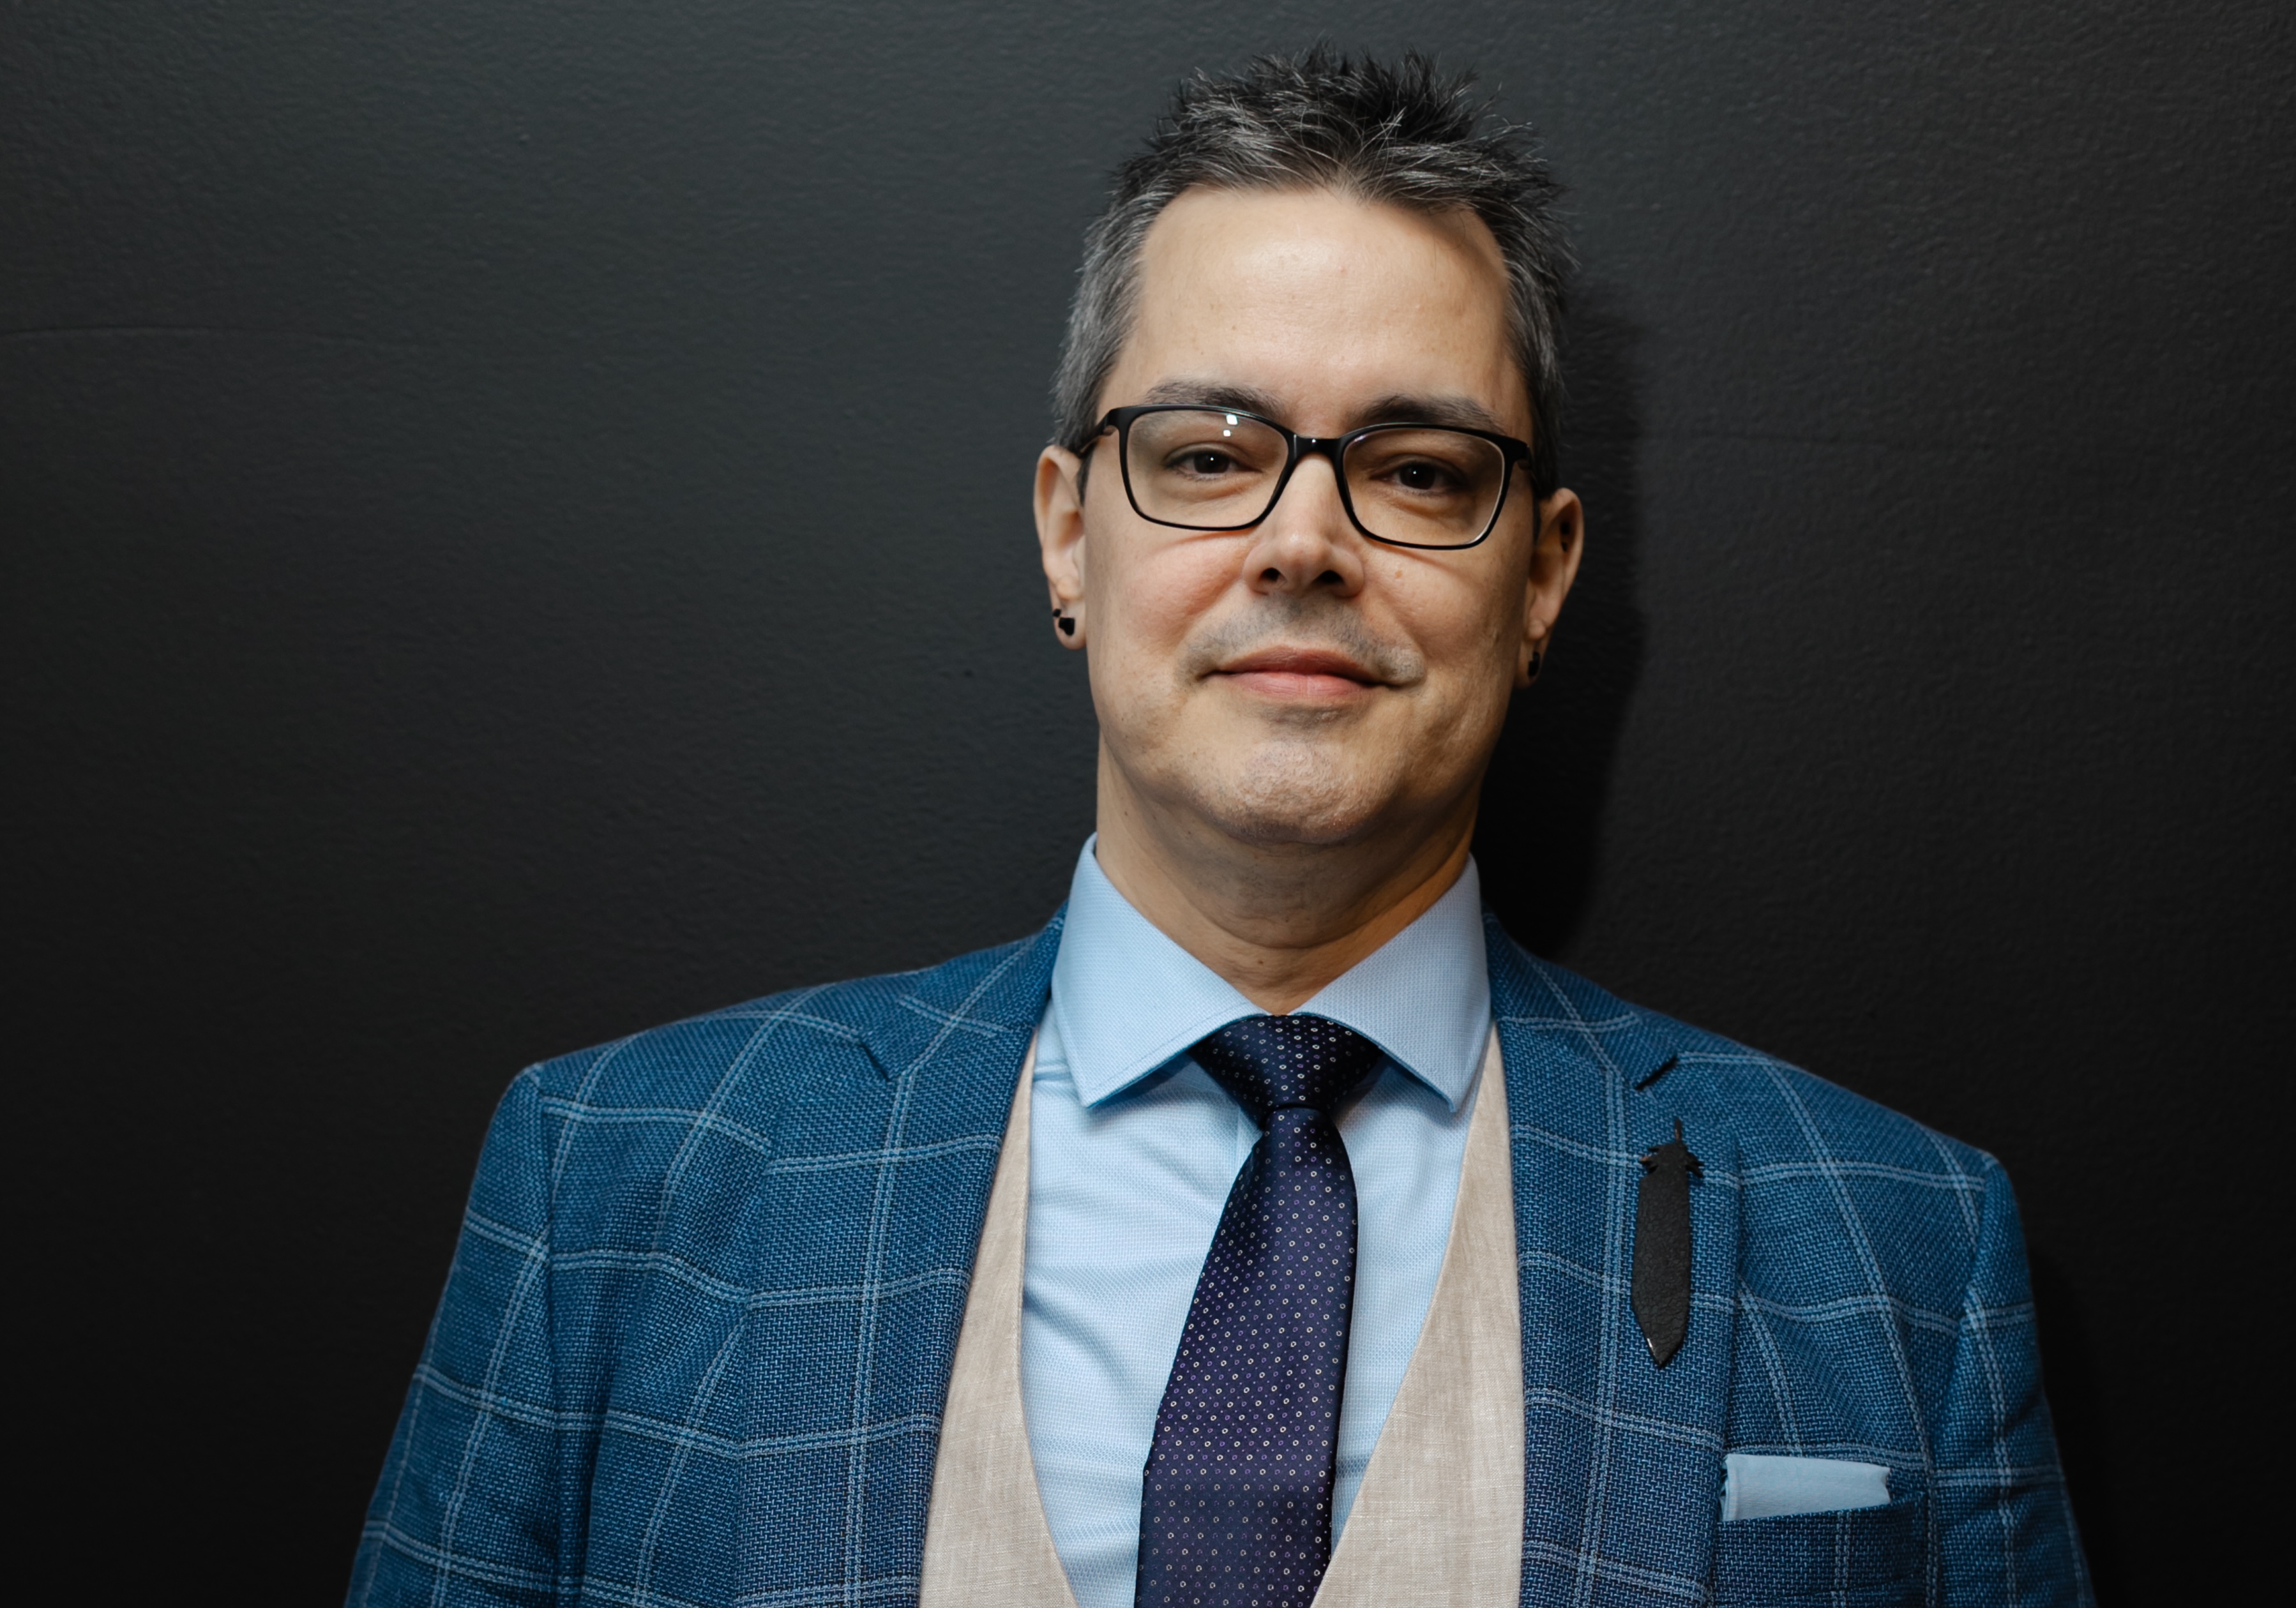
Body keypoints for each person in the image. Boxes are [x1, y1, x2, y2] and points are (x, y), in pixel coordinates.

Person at [348, 49, 2091, 1608]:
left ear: (1542, 571)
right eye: (1204, 453)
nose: (1301, 543)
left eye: (1416, 468)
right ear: (1065, 533)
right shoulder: (617, 1183)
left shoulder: (1898, 1240)